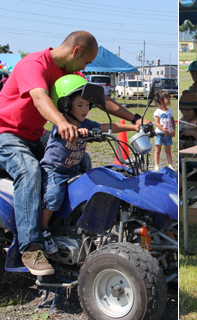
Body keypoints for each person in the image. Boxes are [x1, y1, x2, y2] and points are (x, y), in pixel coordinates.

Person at [0, 31, 148, 276]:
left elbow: (100, 99)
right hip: (2, 132)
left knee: (83, 159)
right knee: (29, 170)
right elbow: (39, 97)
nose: (86, 67)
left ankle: (69, 225)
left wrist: (135, 119)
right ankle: (30, 246)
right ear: (76, 51)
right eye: (86, 62)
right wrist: (61, 121)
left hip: (33, 134)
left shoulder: (71, 73)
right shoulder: (33, 64)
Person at [40, 74, 139, 254]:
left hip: (74, 169)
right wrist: (79, 131)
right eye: (80, 105)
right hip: (55, 171)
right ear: (65, 105)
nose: (85, 109)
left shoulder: (85, 122)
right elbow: (68, 132)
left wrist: (133, 126)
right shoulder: (60, 124)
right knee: (53, 196)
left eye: (87, 104)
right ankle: (43, 229)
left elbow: (108, 127)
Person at [153, 91, 175, 171]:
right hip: (160, 134)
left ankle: (170, 164)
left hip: (168, 135)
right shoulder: (157, 111)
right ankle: (156, 165)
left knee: (168, 150)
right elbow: (156, 123)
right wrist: (164, 130)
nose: (169, 100)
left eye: (169, 98)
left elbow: (173, 122)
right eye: (167, 98)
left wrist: (174, 130)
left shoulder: (170, 111)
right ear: (160, 99)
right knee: (158, 150)